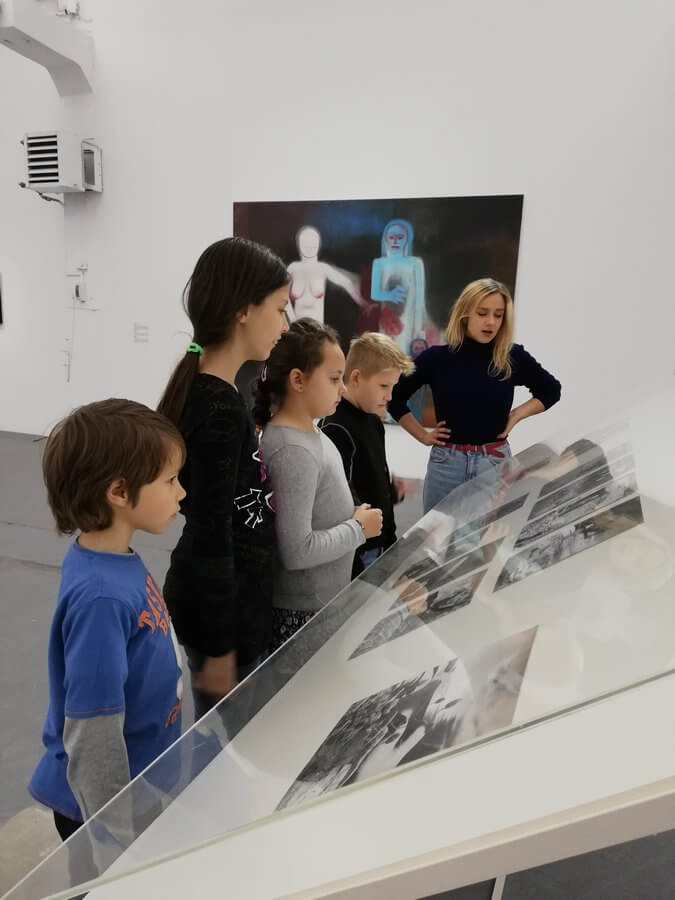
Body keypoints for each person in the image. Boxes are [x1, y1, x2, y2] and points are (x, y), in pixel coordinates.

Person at [29, 399, 185, 848]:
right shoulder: (101, 598)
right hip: (105, 809)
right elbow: (93, 733)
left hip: (138, 785)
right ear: (119, 491)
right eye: (170, 480)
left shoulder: (114, 560)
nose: (181, 493)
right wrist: (115, 837)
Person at [158, 237, 290, 720]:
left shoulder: (220, 393)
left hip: (232, 608)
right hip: (222, 619)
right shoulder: (217, 408)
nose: (284, 325)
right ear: (243, 310)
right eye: (279, 309)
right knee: (224, 751)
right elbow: (210, 531)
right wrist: (218, 647)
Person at [254, 318, 383, 649]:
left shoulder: (310, 432)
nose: (343, 389)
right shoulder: (292, 450)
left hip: (322, 606)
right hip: (303, 617)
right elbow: (297, 551)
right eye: (334, 379)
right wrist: (358, 529)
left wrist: (348, 516)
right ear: (298, 379)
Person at [389, 277, 561, 514]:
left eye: (498, 315)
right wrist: (423, 435)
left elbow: (551, 390)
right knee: (435, 535)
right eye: (482, 313)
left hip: (494, 463)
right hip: (446, 463)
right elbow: (395, 398)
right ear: (465, 314)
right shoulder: (437, 358)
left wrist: (517, 415)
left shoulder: (511, 357)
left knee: (489, 534)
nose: (491, 322)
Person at [319, 332, 413, 578]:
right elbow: (340, 497)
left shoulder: (373, 421)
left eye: (392, 387)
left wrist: (389, 491)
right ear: (356, 378)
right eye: (383, 386)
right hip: (358, 549)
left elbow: (371, 473)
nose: (389, 396)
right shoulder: (335, 426)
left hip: (382, 540)